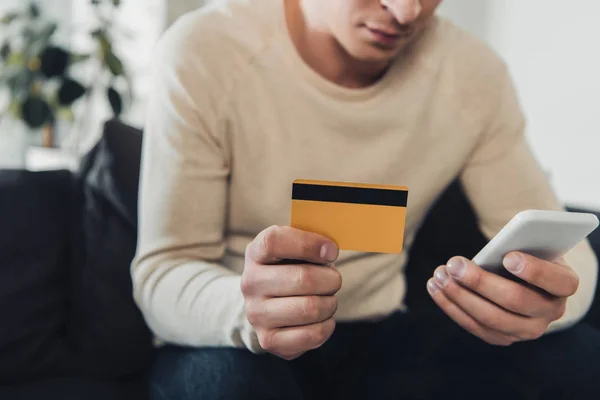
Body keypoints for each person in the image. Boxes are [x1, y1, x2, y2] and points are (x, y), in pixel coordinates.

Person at [132, 0, 600, 398]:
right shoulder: (206, 50)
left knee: (579, 357)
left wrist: (544, 303)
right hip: (232, 341)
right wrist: (247, 310)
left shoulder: (472, 76)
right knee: (225, 383)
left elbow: (571, 255)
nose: (407, 12)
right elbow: (163, 271)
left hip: (382, 336)